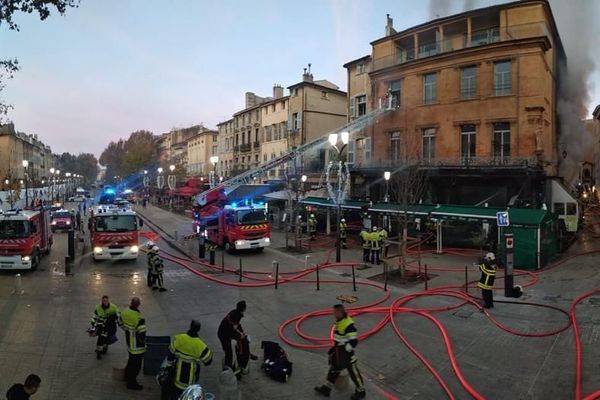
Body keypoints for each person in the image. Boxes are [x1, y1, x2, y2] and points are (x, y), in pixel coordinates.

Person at [315, 304, 365, 399]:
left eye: (334, 312)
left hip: (347, 354)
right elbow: (339, 338)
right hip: (338, 351)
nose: (333, 313)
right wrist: (335, 348)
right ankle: (326, 388)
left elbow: (354, 341)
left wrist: (345, 351)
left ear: (339, 312)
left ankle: (361, 391)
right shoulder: (339, 320)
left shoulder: (348, 325)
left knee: (353, 372)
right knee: (334, 369)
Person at [161, 320, 213, 400]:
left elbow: (170, 352)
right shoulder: (201, 345)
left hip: (177, 378)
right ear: (198, 330)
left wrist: (169, 365)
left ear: (190, 327)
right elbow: (208, 361)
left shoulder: (178, 338)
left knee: (175, 395)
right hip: (190, 381)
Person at [217, 301, 257, 380]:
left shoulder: (235, 313)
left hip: (225, 332)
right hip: (224, 335)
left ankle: (247, 354)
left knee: (242, 341)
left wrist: (242, 333)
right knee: (229, 353)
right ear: (244, 308)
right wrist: (239, 336)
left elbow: (237, 325)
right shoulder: (235, 316)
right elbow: (231, 330)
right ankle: (229, 372)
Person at [119, 297, 146, 390]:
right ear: (139, 304)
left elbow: (119, 322)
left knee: (131, 361)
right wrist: (144, 343)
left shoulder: (125, 312)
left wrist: (126, 329)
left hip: (129, 342)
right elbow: (142, 333)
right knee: (136, 365)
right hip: (137, 346)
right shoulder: (139, 318)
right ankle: (132, 383)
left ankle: (127, 377)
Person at [90, 295, 119, 360]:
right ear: (102, 301)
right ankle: (99, 352)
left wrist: (117, 321)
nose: (105, 302)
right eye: (104, 301)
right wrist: (93, 324)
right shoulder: (98, 307)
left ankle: (104, 348)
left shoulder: (113, 307)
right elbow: (94, 316)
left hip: (110, 327)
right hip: (101, 326)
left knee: (107, 338)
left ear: (108, 301)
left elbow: (118, 316)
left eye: (106, 301)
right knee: (101, 339)